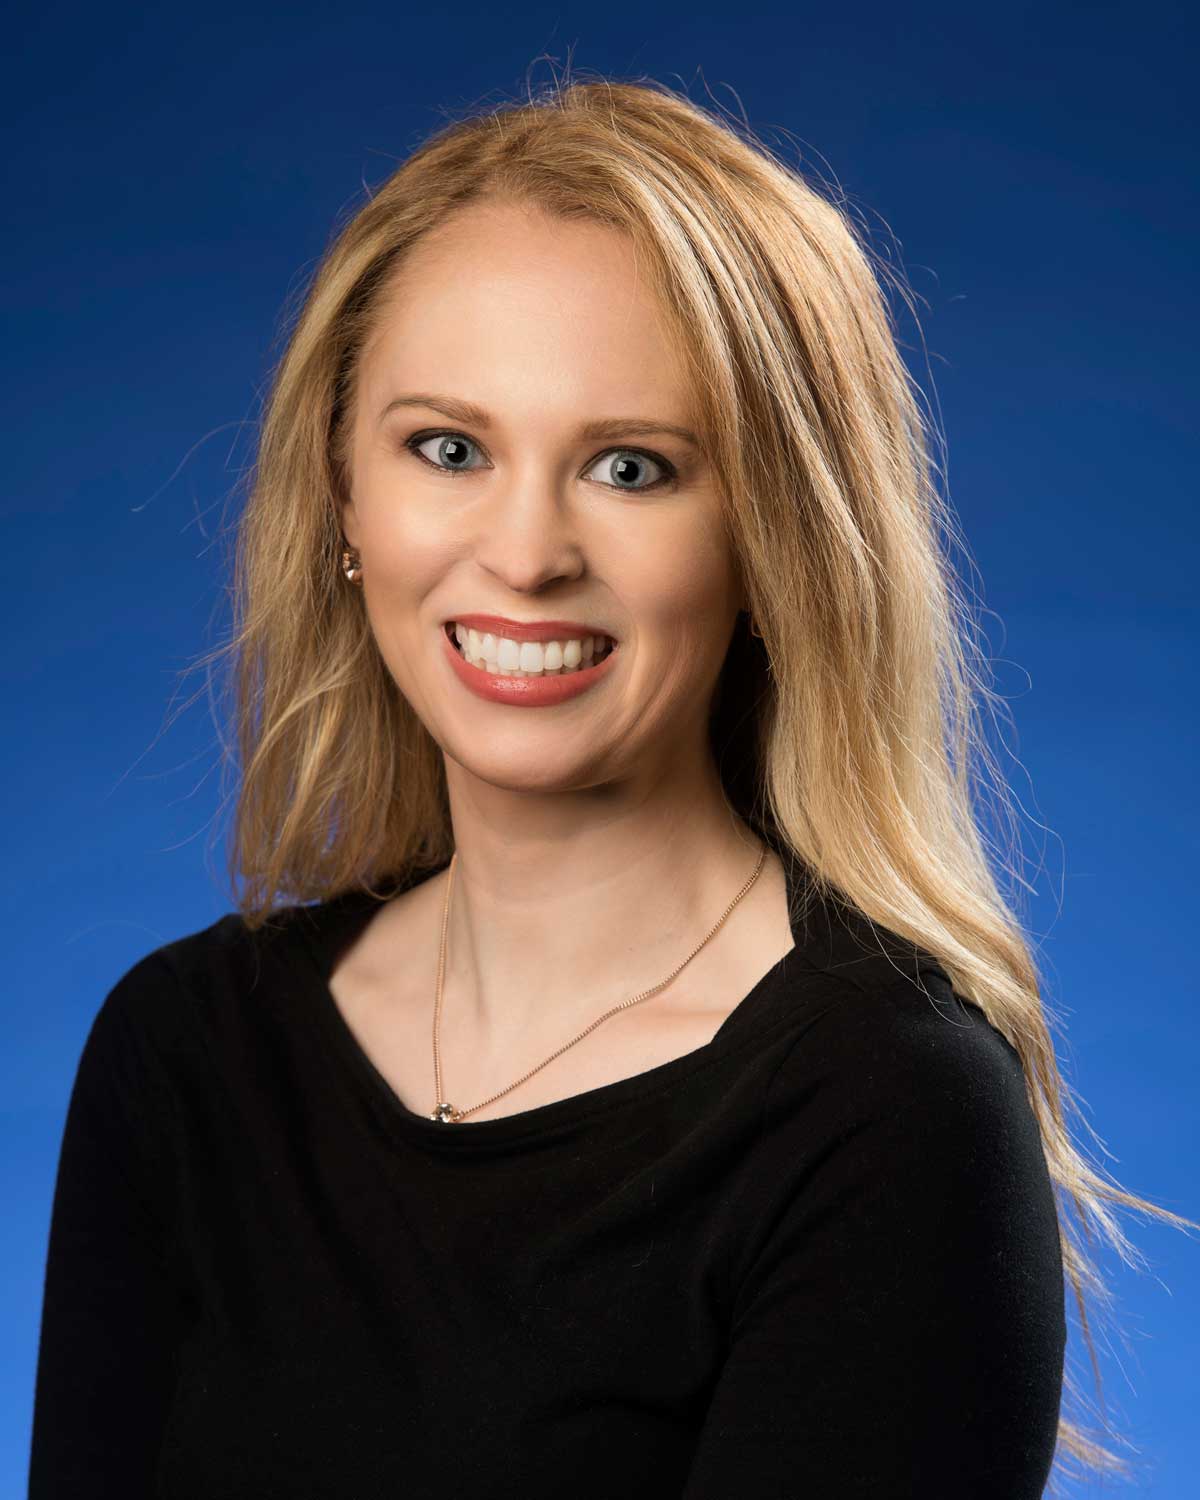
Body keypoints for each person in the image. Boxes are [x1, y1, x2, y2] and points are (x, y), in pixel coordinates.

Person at [32, 73, 1174, 1499]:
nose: (524, 553)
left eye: (633, 468)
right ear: (343, 498)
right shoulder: (183, 1053)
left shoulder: (891, 1113)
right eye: (448, 449)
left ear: (777, 544)